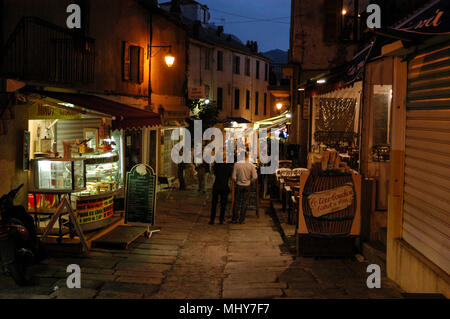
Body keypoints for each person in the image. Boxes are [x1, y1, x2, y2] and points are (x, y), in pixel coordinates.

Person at [231, 151, 258, 224]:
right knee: (245, 202)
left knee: (237, 202)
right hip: (247, 185)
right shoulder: (251, 165)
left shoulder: (236, 165)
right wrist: (250, 181)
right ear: (246, 157)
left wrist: (237, 181)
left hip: (239, 185)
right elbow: (255, 176)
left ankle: (235, 219)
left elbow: (233, 177)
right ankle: (241, 219)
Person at [209, 153, 233, 225]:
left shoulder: (217, 165)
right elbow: (231, 176)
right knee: (223, 204)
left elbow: (212, 171)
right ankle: (221, 219)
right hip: (225, 187)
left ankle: (212, 219)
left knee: (214, 203)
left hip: (216, 186)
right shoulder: (228, 167)